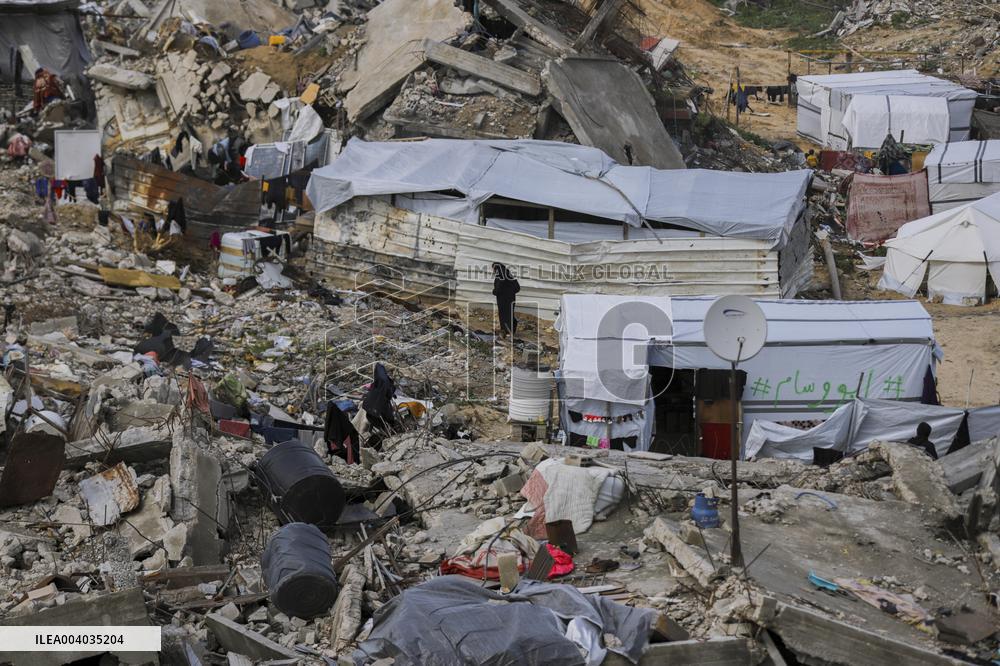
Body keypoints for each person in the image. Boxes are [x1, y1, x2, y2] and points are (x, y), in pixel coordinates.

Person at [492, 262, 520, 338]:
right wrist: (510, 292)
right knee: (510, 314)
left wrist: (494, 292)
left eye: (493, 269)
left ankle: (506, 331)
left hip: (503, 299)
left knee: (504, 315)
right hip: (511, 298)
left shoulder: (500, 275)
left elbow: (498, 288)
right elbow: (517, 288)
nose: (493, 271)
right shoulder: (509, 274)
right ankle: (511, 330)